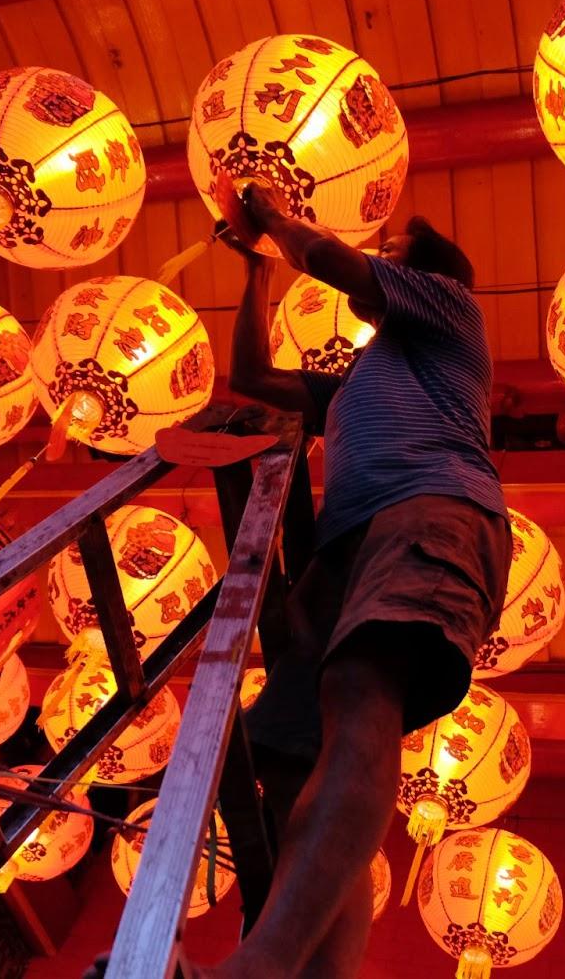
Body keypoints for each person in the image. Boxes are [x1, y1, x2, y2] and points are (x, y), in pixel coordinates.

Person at [202, 186, 510, 979]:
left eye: (397, 250)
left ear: (426, 274)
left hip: (431, 509)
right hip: (345, 549)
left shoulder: (449, 311)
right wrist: (255, 272)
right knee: (289, 755)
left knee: (363, 694)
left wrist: (272, 218)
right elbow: (249, 377)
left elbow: (336, 263)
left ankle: (260, 964)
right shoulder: (356, 380)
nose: (385, 258)